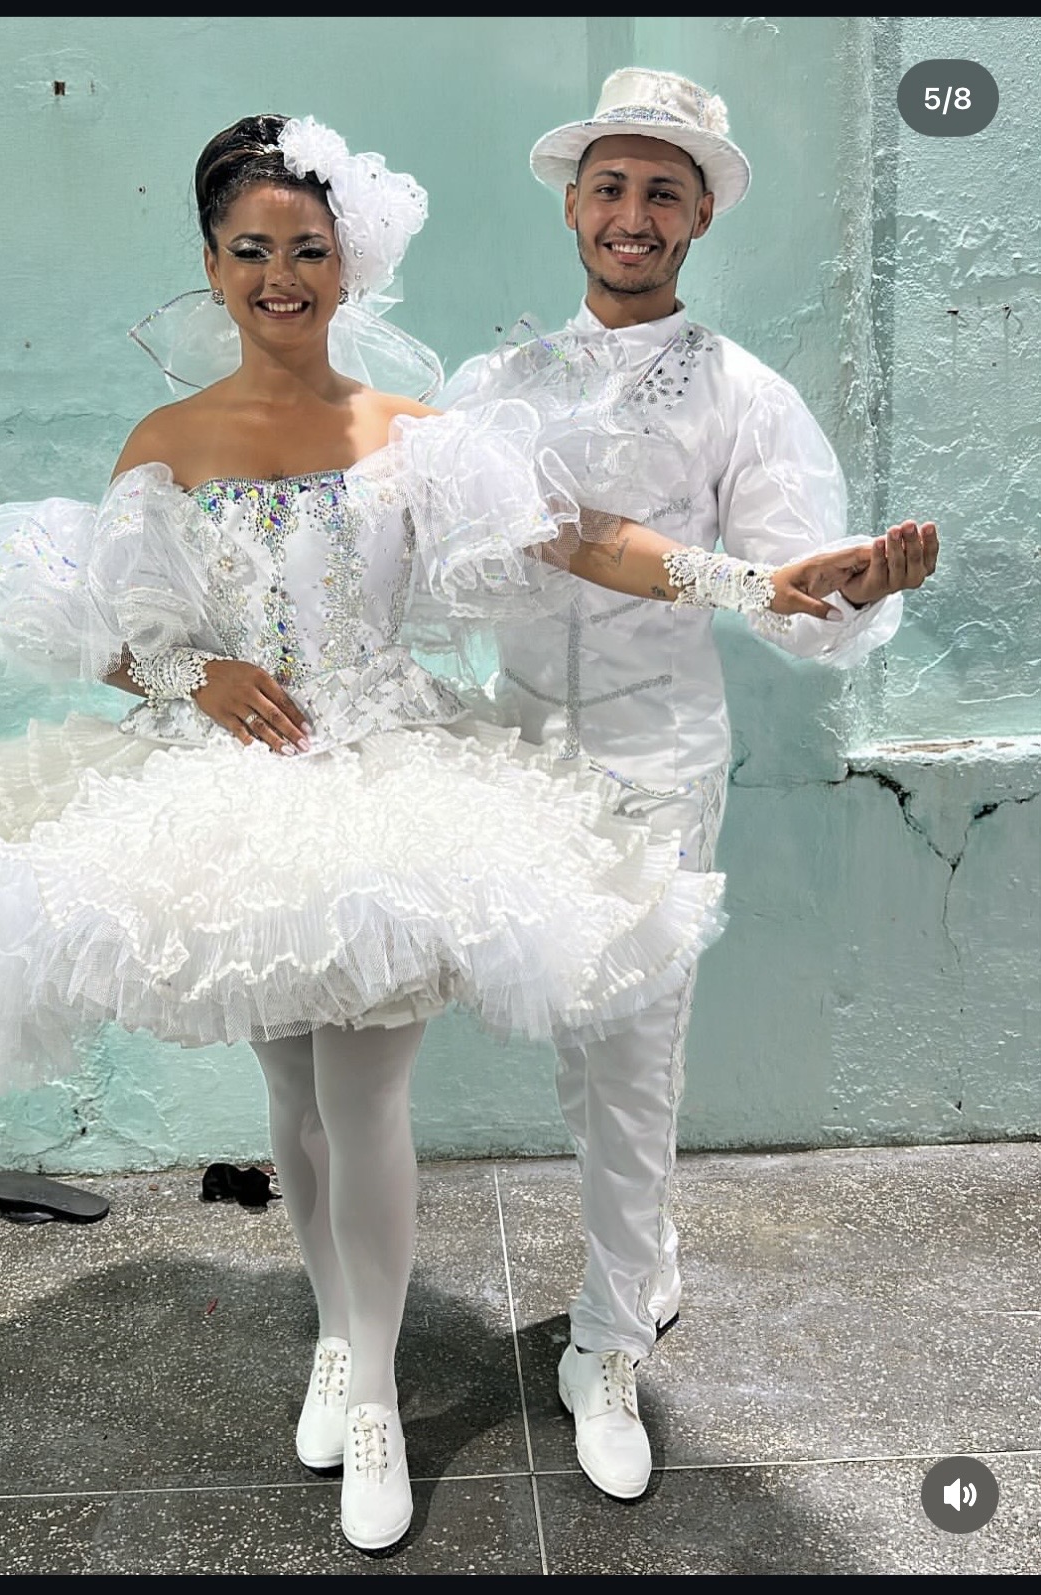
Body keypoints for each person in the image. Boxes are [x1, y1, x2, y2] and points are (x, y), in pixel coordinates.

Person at [0, 111, 893, 1553]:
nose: (280, 275)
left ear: (348, 266)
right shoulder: (166, 442)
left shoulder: (416, 431)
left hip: (387, 784)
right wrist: (193, 676)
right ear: (211, 266)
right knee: (289, 1100)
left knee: (363, 1103)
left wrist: (757, 584)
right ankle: (340, 1336)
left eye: (308, 249)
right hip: (233, 803)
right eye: (251, 250)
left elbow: (583, 537)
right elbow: (114, 631)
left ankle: (375, 1404)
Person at [439, 67, 940, 1503]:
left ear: (701, 216)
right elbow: (452, 558)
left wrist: (845, 590)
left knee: (636, 1044)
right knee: (573, 1031)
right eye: (610, 186)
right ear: (572, 206)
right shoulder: (495, 385)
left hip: (658, 752)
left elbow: (793, 596)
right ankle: (645, 1256)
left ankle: (607, 1342)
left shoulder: (743, 395)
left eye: (664, 191)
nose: (633, 213)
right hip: (516, 747)